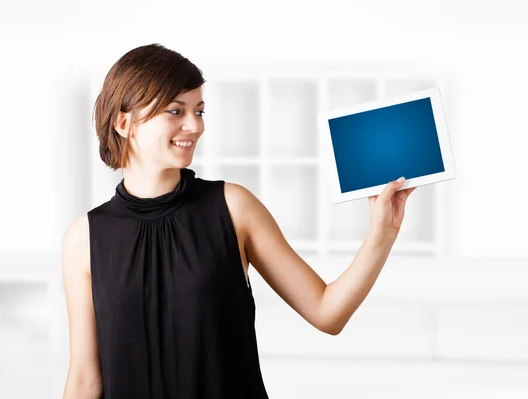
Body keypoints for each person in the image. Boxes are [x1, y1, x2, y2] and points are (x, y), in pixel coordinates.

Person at [61, 43, 417, 399]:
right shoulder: (84, 239)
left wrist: (382, 232)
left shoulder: (233, 207)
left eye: (199, 111)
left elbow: (327, 313)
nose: (194, 126)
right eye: (175, 110)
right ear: (125, 123)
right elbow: (84, 379)